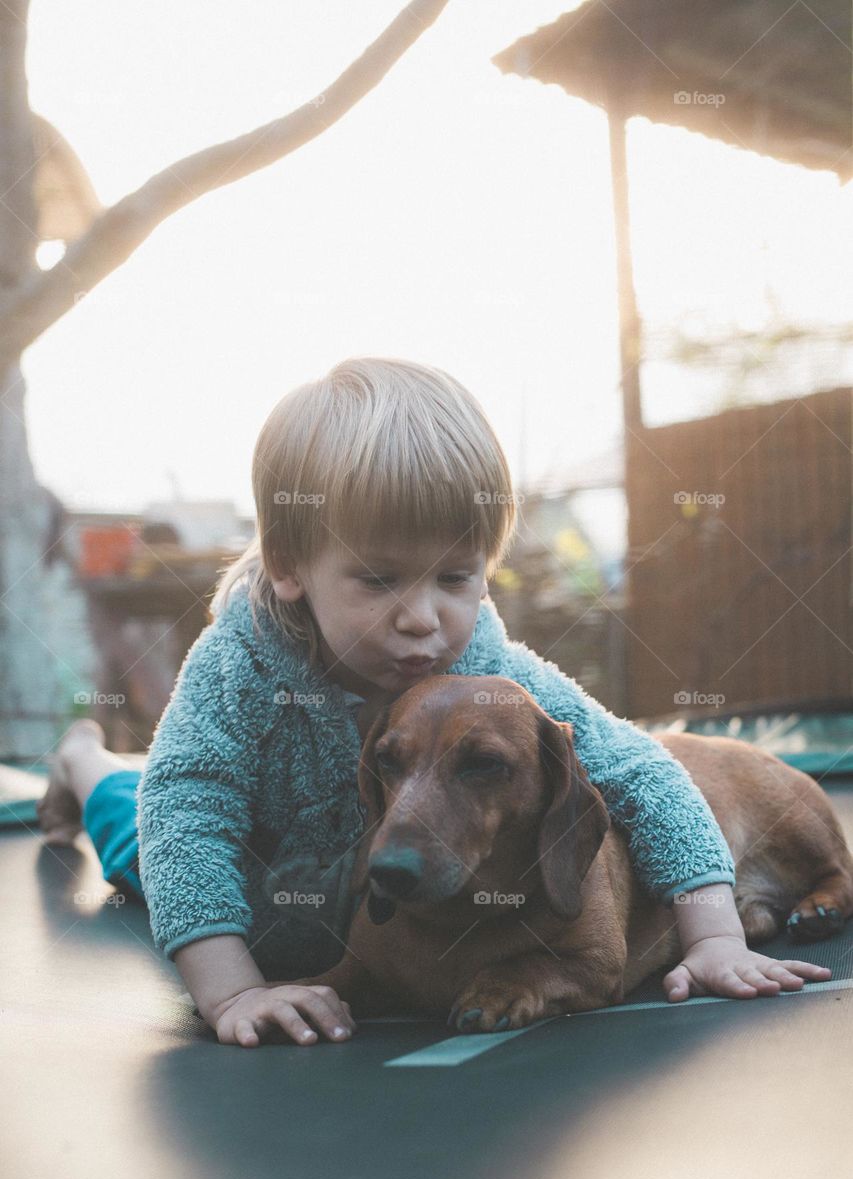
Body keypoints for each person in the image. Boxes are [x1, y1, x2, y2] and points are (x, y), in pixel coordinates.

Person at [38, 356, 831, 1049]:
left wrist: (714, 937)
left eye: (454, 578)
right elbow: (185, 816)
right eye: (378, 579)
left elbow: (642, 770)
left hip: (373, 887)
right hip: (262, 869)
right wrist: (233, 991)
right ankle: (85, 762)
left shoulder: (489, 672)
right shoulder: (235, 668)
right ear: (287, 565)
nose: (422, 618)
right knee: (144, 834)